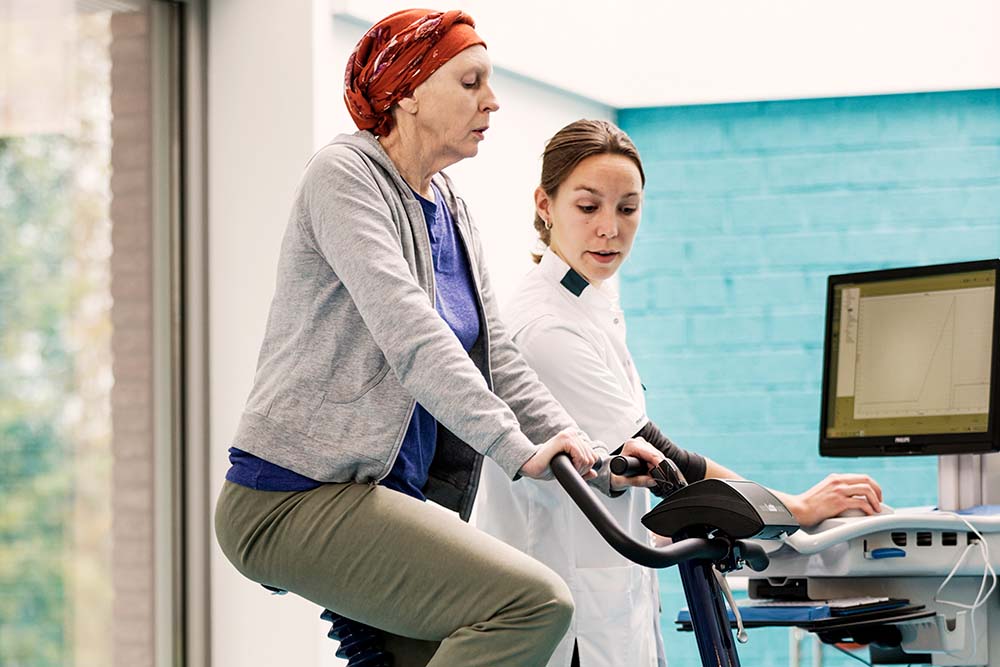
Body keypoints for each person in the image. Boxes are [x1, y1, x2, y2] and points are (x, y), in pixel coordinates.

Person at [213, 12, 664, 667]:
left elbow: (497, 359)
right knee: (533, 604)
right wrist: (518, 449)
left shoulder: (448, 202)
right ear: (410, 90)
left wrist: (591, 457)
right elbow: (413, 337)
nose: (493, 100)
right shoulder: (345, 175)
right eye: (471, 81)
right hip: (289, 496)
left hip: (381, 497)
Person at [475, 119, 885, 667]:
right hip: (566, 611)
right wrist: (797, 507)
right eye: (588, 206)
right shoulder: (545, 325)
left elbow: (631, 462)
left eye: (627, 208)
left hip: (603, 595)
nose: (610, 229)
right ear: (545, 205)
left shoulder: (588, 299)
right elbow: (661, 453)